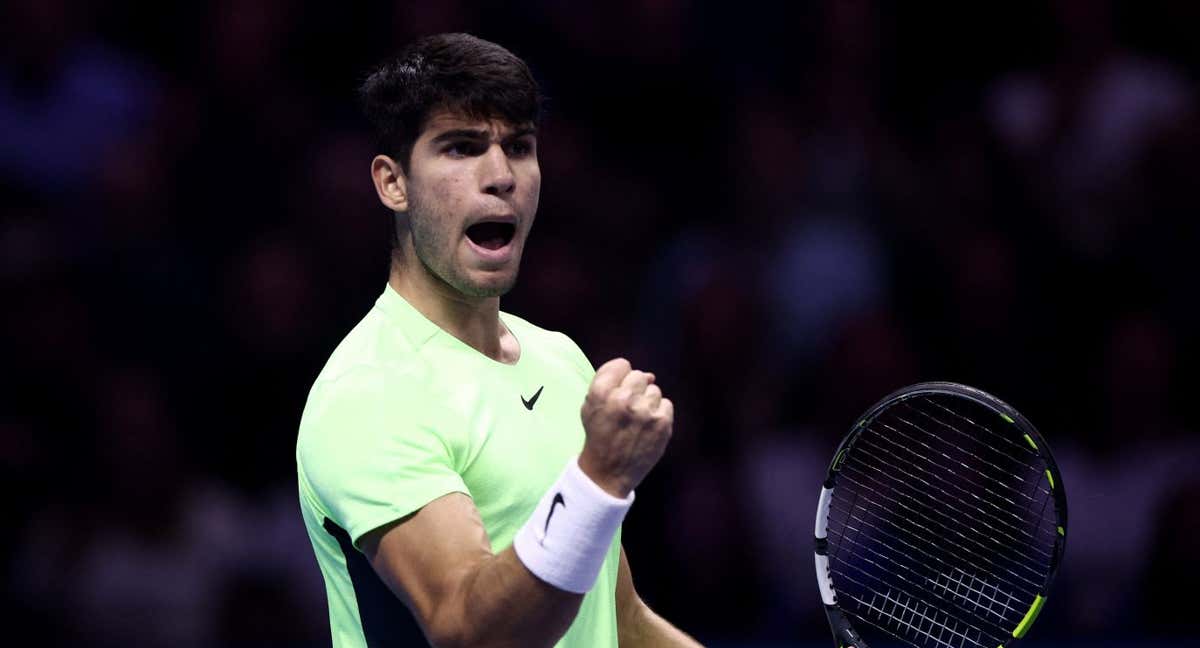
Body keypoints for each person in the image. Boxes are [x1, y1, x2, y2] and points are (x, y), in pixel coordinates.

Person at [296, 33, 702, 647]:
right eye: (461, 147)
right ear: (393, 183)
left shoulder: (561, 359)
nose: (501, 175)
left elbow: (619, 620)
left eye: (519, 147)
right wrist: (597, 479)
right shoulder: (369, 394)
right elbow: (468, 631)